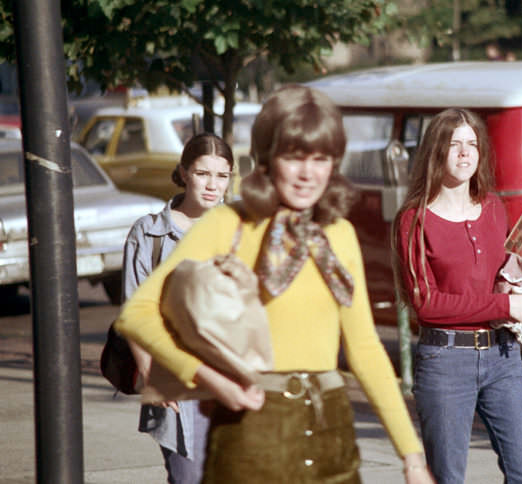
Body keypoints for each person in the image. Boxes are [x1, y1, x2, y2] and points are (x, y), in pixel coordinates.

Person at [115, 85, 435, 484]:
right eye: (294, 157)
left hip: (330, 428)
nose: (308, 173)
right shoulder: (228, 223)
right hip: (251, 428)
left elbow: (366, 349)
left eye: (321, 159)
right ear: (267, 159)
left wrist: (412, 456)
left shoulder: (339, 233)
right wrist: (210, 380)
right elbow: (138, 314)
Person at [392, 108, 522, 484]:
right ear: (435, 152)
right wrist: (505, 305)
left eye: (472, 144)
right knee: (448, 478)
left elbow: (505, 275)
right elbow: (426, 304)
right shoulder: (414, 220)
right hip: (445, 361)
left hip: (504, 358)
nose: (465, 153)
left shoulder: (495, 207)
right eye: (454, 145)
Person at [121, 132, 234, 484]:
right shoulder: (150, 234)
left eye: (222, 175)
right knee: (188, 477)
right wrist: (150, 373)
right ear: (184, 172)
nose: (213, 185)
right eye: (203, 174)